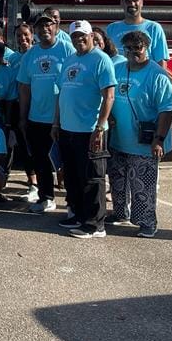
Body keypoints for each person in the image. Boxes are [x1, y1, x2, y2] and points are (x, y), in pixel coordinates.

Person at [109, 31, 172, 238]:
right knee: (117, 182)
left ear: (146, 48)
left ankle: (147, 222)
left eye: (137, 47)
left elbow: (167, 109)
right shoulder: (118, 69)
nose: (132, 52)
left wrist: (159, 140)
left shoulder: (157, 75)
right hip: (118, 139)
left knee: (143, 186)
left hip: (144, 143)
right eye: (128, 48)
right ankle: (120, 213)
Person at [53, 20, 116, 239]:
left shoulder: (101, 59)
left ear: (91, 36)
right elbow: (61, 93)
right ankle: (78, 215)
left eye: (83, 36)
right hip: (68, 128)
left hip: (90, 130)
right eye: (75, 37)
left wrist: (100, 127)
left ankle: (95, 224)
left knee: (92, 178)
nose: (79, 40)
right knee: (73, 176)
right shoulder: (70, 60)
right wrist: (56, 123)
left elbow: (109, 95)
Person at [18, 12, 75, 214]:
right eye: (40, 27)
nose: (45, 30)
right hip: (37, 117)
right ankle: (46, 198)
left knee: (66, 161)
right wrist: (23, 117)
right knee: (41, 161)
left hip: (63, 118)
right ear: (35, 31)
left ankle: (72, 203)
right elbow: (24, 88)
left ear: (56, 27)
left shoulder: (67, 49)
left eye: (48, 25)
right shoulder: (30, 55)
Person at [105, 0, 170, 67]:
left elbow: (161, 62)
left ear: (142, 2)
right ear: (122, 3)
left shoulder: (154, 28)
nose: (132, 4)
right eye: (128, 1)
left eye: (135, 0)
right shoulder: (111, 29)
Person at [9, 22, 37, 199]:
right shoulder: (12, 59)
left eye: (26, 34)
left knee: (39, 148)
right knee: (25, 145)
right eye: (19, 35)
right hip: (19, 105)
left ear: (32, 35)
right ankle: (32, 182)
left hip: (40, 106)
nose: (22, 38)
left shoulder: (38, 54)